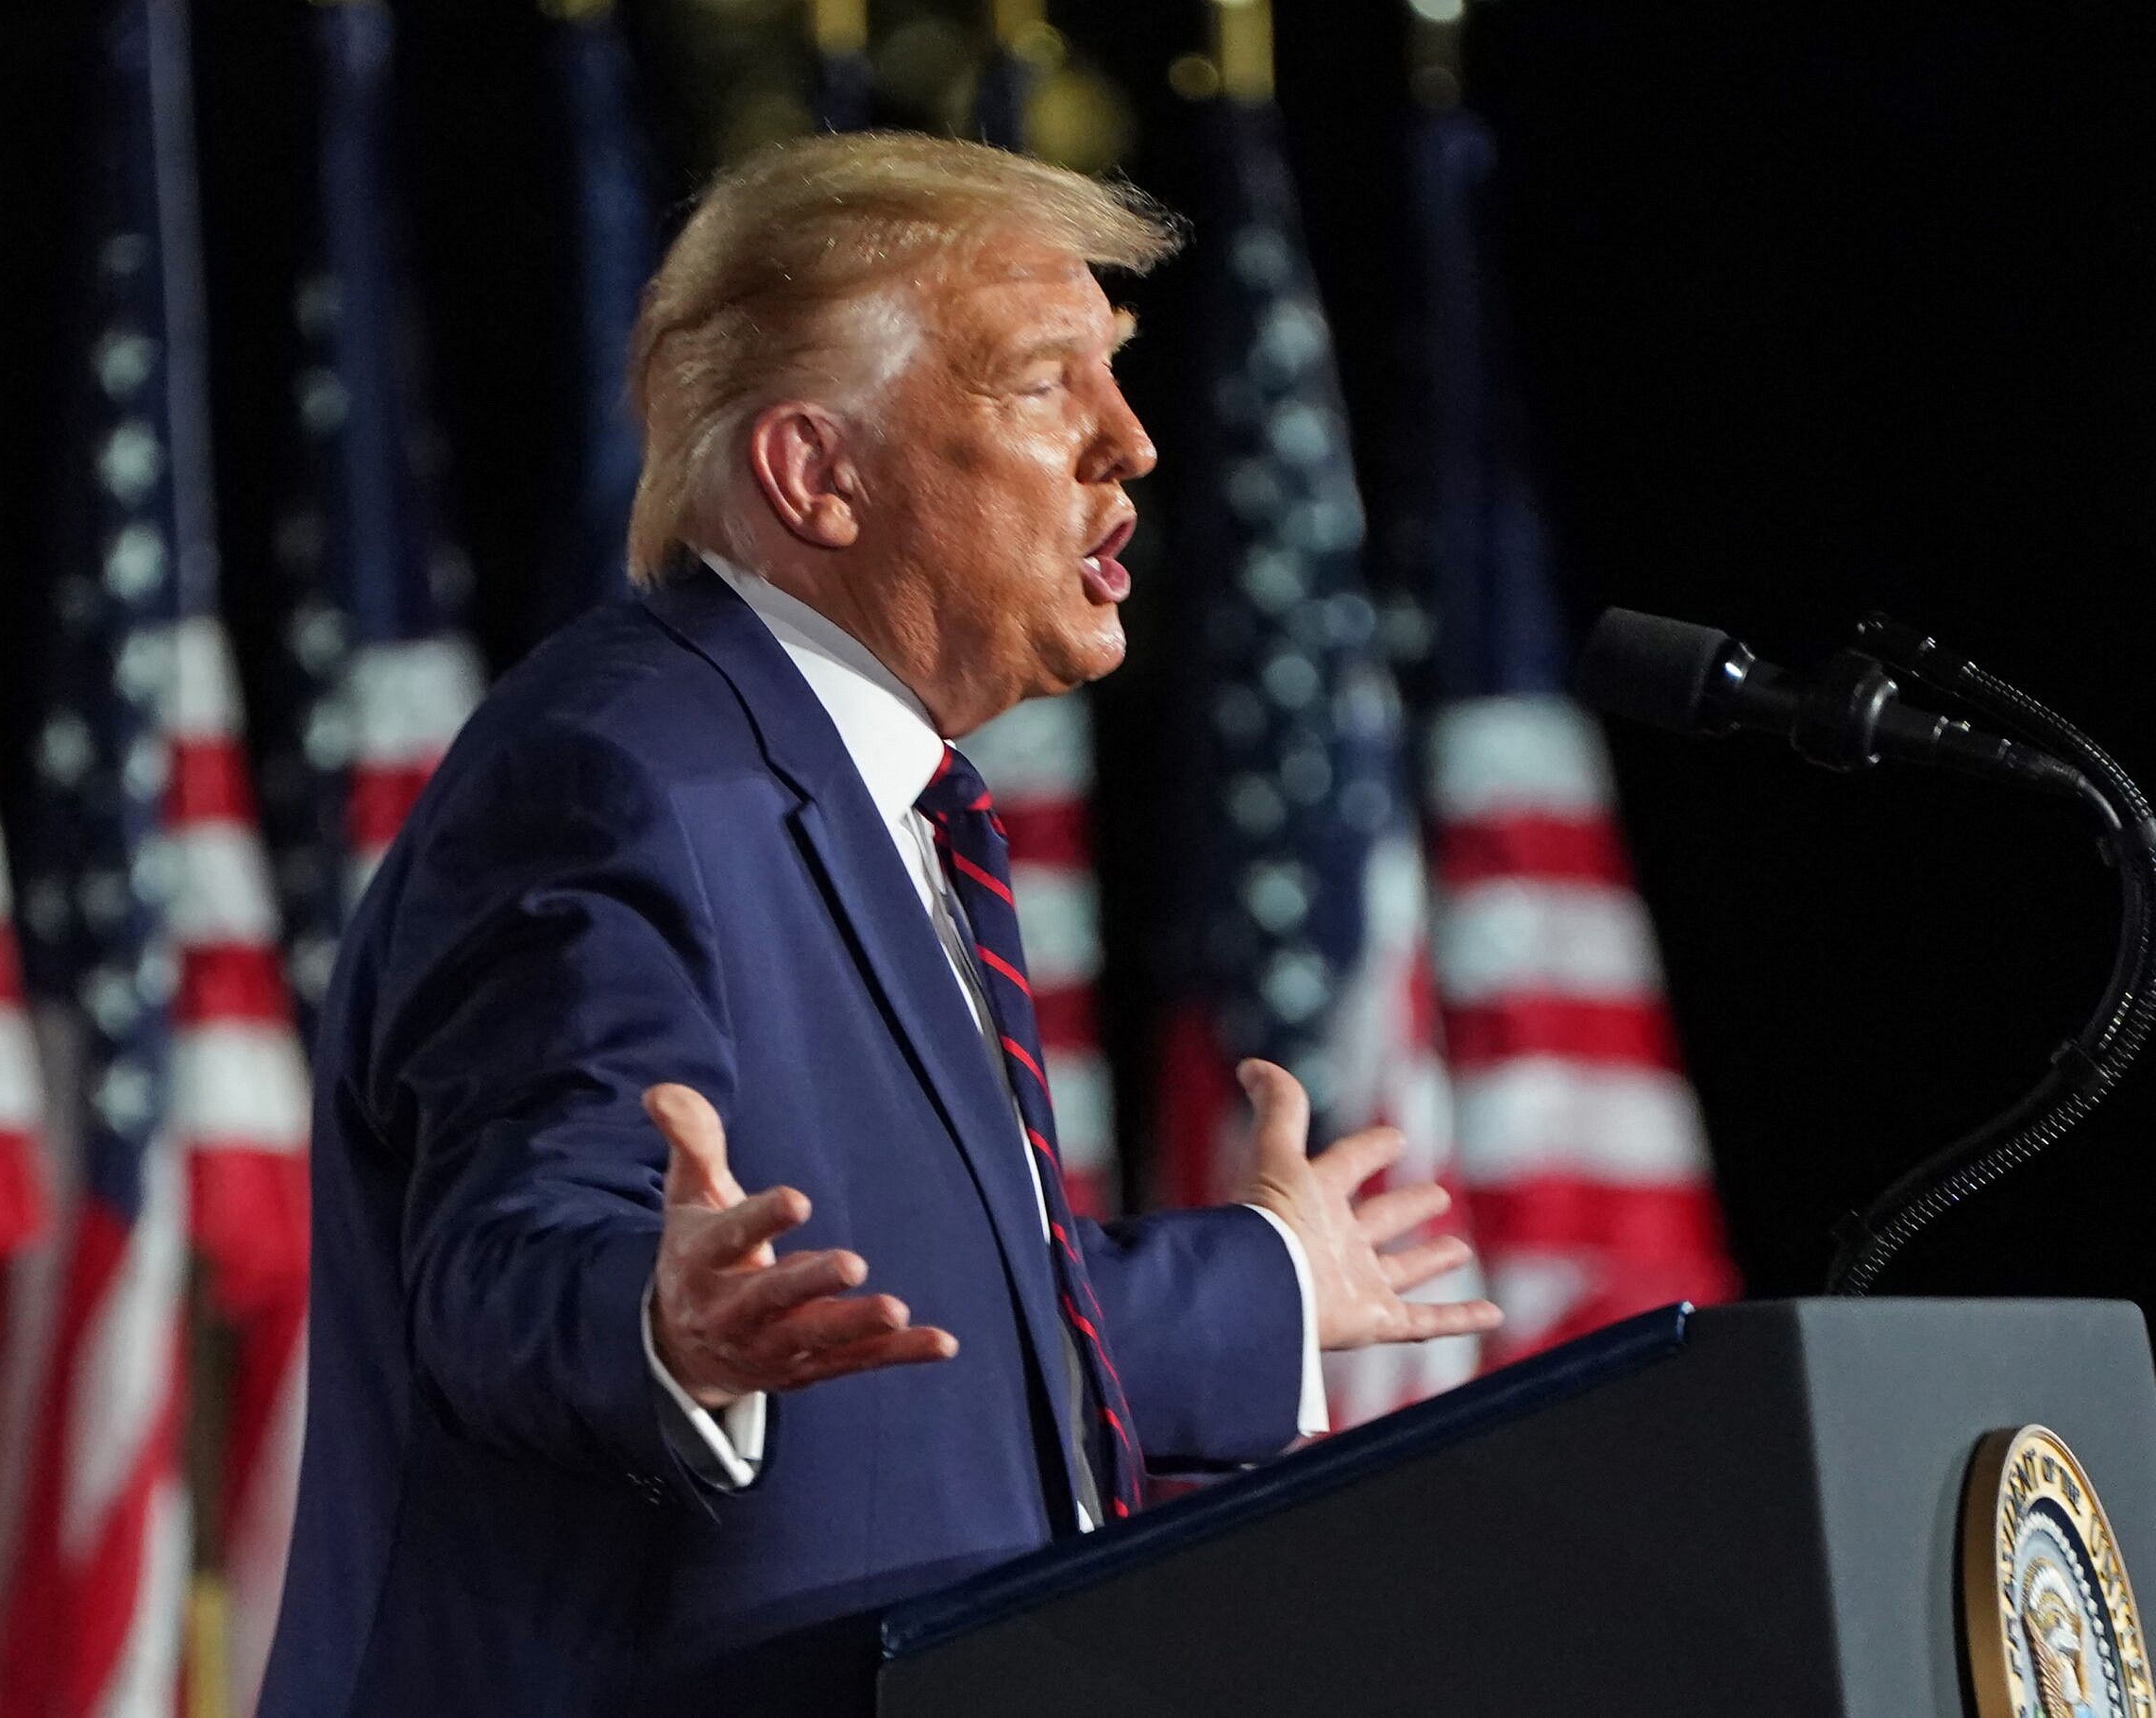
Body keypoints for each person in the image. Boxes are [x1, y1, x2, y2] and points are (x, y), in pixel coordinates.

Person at [258, 132, 1498, 1718]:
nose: (1130, 443)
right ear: (815, 475)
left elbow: (892, 1311)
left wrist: (1263, 1282)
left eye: (1113, 378)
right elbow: (510, 1251)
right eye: (1046, 383)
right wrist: (655, 1315)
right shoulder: (619, 774)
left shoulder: (856, 796)